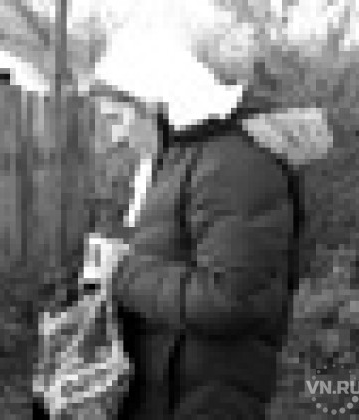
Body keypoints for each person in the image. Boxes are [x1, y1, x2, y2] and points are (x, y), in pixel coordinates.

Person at [83, 2, 307, 418]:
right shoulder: (182, 158)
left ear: (155, 101)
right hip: (172, 389)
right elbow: (174, 259)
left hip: (207, 400)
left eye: (116, 118)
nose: (114, 136)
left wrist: (123, 274)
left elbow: (235, 299)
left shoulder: (234, 163)